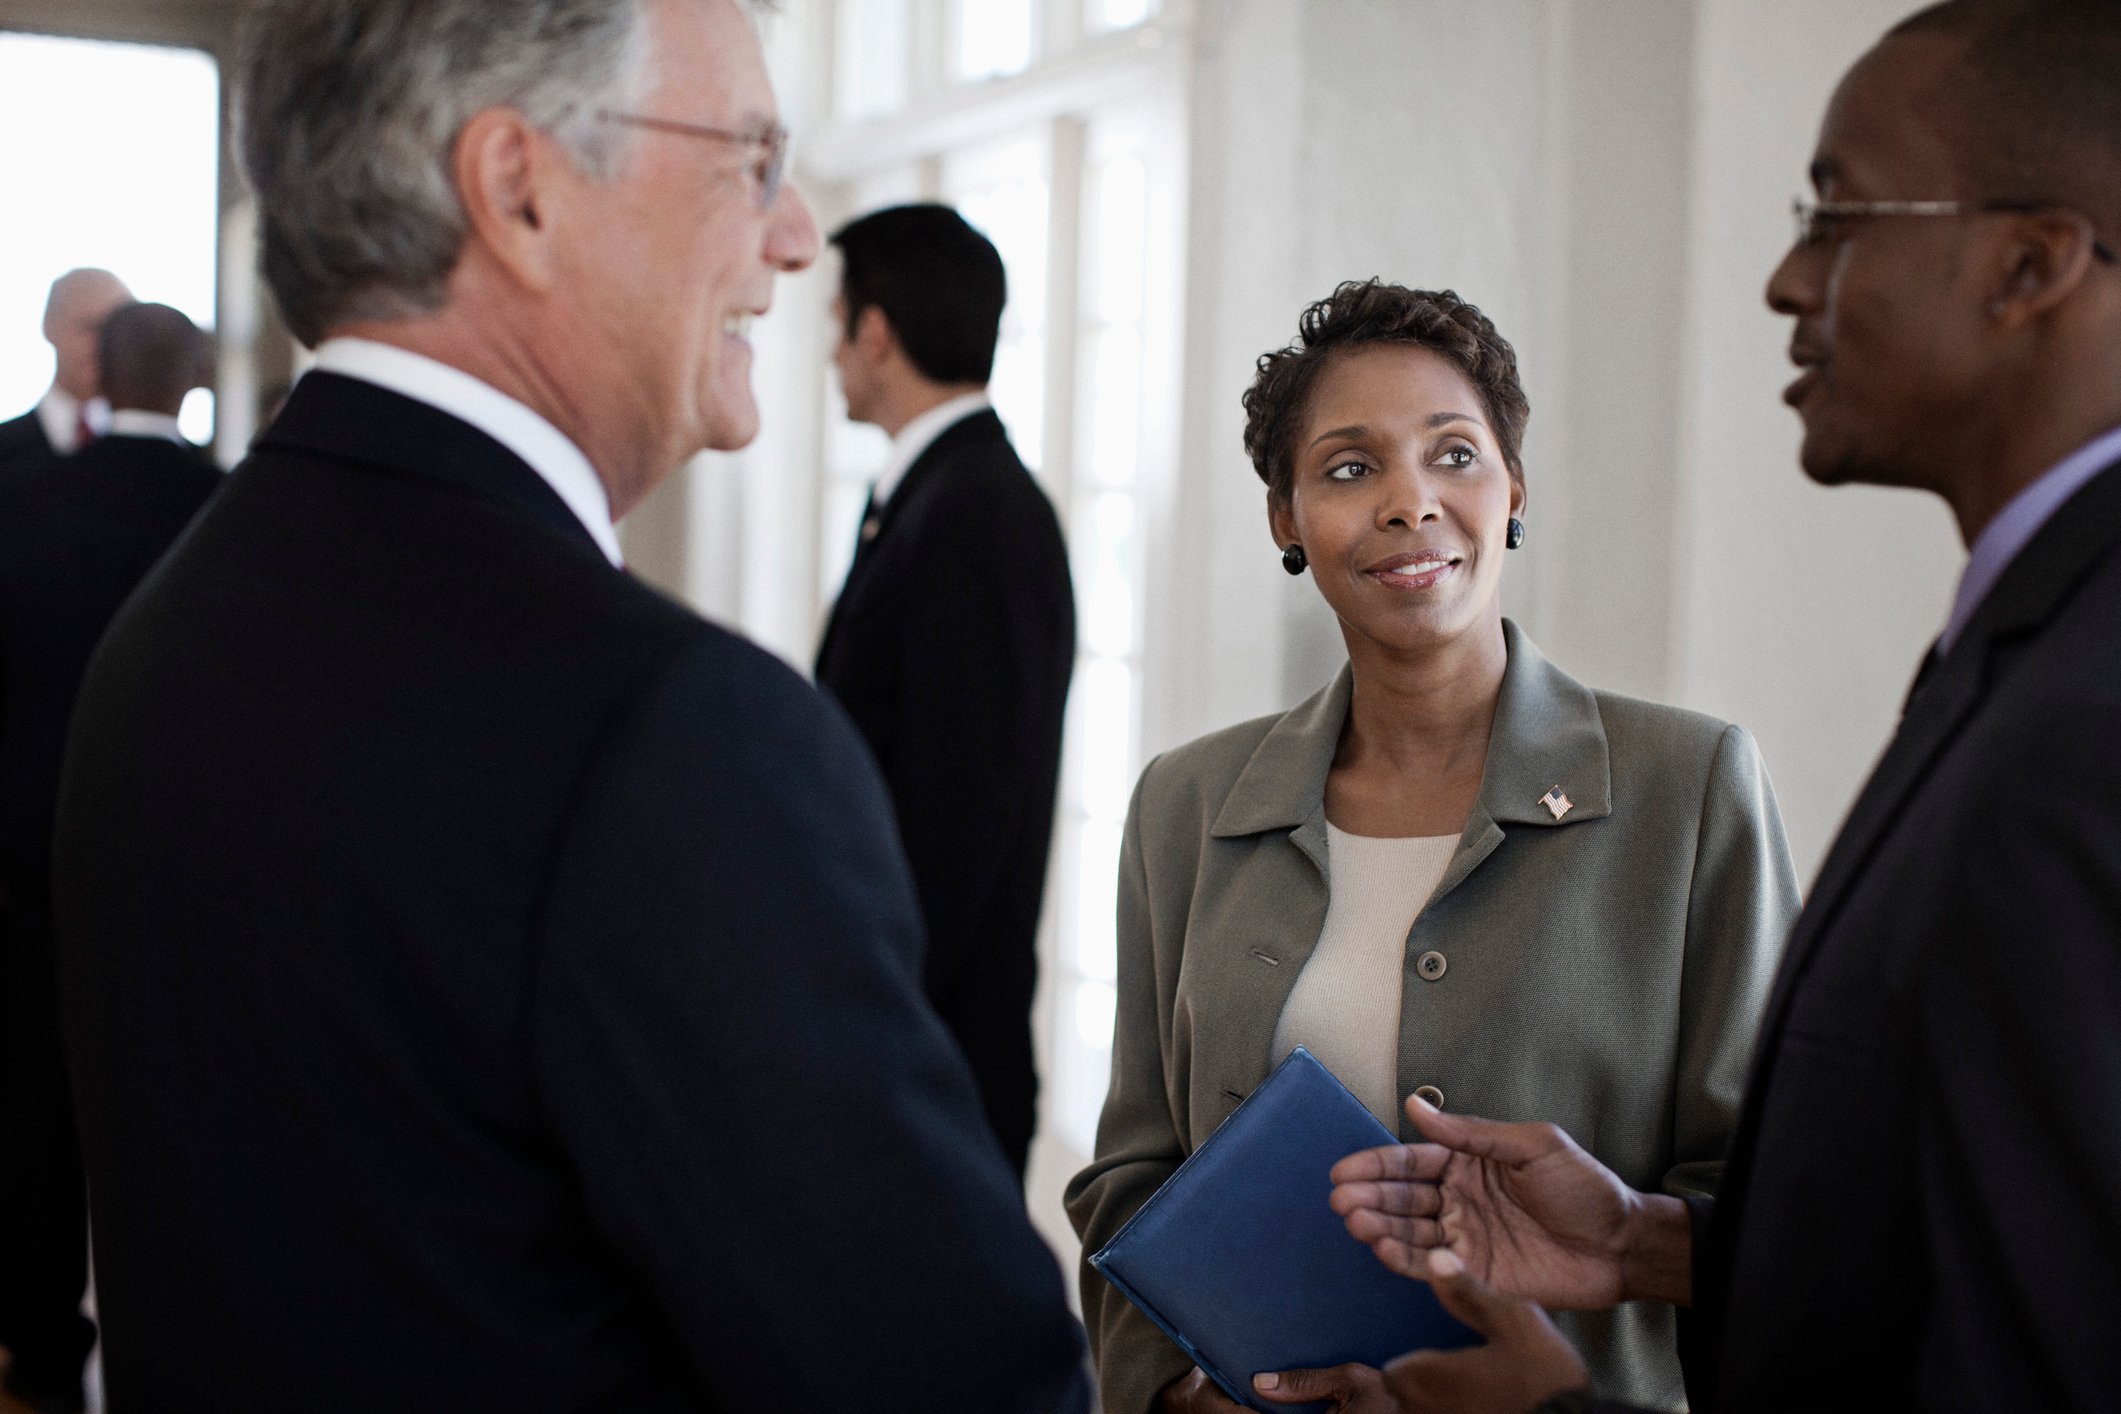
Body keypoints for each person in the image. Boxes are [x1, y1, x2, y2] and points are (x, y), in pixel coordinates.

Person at [52, 3, 1090, 1411]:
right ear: (521, 189)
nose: (792, 239)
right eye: (753, 160)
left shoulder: (171, 622)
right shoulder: (678, 741)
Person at [1328, 3, 2121, 1411]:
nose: (1778, 279)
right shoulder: (2022, 642)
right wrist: (1652, 1239)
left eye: (1836, 216)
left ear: (2028, 264)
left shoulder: (2082, 718)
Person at [1065, 280, 1799, 1414]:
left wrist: (1627, 1241)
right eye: (1351, 469)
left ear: (1515, 488)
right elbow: (1130, 1178)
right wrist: (1173, 1392)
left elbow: (1775, 1204)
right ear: (1287, 518)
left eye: (1455, 454)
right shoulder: (1188, 803)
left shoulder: (1689, 788)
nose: (1411, 503)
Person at [815, 203, 1075, 1178]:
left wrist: (860, 1026)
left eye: (834, 321)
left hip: (932, 1060)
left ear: (873, 331)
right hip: (900, 1043)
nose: (829, 353)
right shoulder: (932, 496)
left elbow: (957, 824)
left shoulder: (980, 515)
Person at [0, 302, 219, 1414]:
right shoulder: (234, 511)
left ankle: (40, 1348)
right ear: (196, 382)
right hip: (190, 880)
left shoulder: (23, 503)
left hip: (29, 864)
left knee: (36, 1115)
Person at [0, 269, 132, 469]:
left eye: (115, 331)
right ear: (49, 325)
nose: (102, 344)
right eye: (90, 327)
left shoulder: (159, 460)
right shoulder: (6, 449)